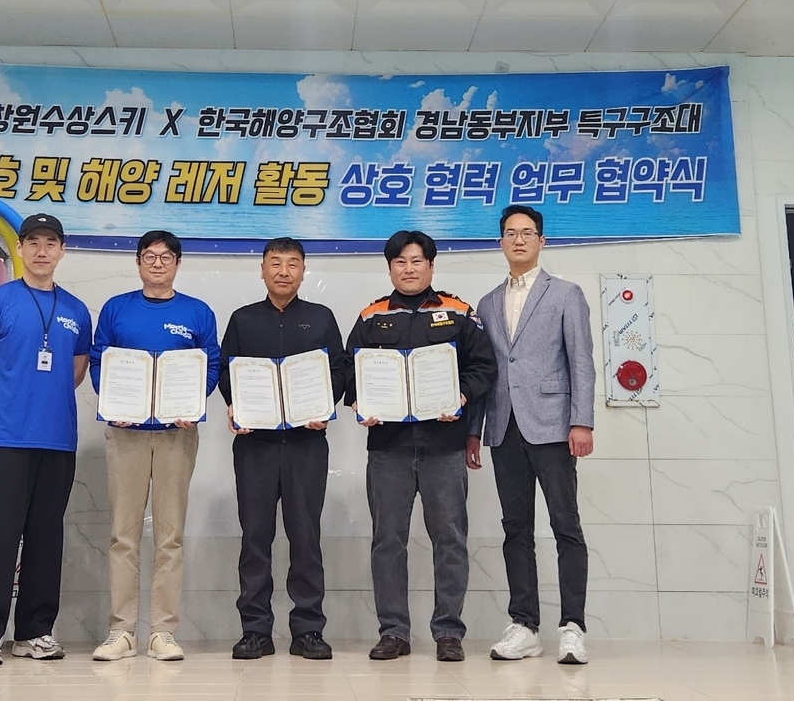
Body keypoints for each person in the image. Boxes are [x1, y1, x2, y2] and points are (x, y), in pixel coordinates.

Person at [345, 230, 496, 662]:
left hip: (444, 446)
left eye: (416, 261)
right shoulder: (372, 316)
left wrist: (461, 395)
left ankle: (448, 632)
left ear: (431, 266)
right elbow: (350, 372)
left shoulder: (458, 312)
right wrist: (359, 402)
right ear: (389, 268)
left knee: (449, 539)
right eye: (400, 262)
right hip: (388, 447)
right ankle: (394, 632)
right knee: (387, 541)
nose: (408, 269)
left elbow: (484, 367)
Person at [0, 213, 92, 666]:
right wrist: (4, 408)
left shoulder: (76, 310)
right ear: (19, 249)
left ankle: (35, 632)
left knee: (45, 539)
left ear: (62, 251)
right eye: (33, 242)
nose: (41, 250)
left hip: (57, 441)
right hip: (5, 441)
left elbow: (75, 371)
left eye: (50, 243)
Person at [468, 205, 594, 665]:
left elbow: (581, 361)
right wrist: (474, 431)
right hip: (503, 426)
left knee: (566, 526)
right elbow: (484, 370)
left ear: (542, 240)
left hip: (554, 425)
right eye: (510, 233)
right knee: (515, 528)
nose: (518, 240)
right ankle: (524, 625)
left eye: (526, 233)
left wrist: (582, 421)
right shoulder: (486, 303)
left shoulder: (565, 294)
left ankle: (573, 627)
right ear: (500, 242)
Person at [89, 230, 221, 662]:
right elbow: (99, 360)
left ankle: (163, 632)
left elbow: (211, 363)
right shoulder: (117, 308)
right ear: (138, 262)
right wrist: (113, 404)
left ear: (178, 263)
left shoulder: (197, 312)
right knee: (123, 535)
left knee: (170, 536)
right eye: (150, 256)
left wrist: (193, 403)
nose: (158, 264)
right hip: (126, 433)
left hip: (176, 434)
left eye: (166, 257)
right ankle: (121, 631)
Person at [218, 238, 346, 661]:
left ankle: (308, 630)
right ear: (262, 270)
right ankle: (255, 630)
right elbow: (226, 370)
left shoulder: (321, 317)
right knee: (255, 538)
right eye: (275, 263)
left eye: (292, 264)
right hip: (255, 444)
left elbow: (339, 369)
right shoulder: (243, 319)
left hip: (306, 444)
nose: (284, 271)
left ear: (304, 271)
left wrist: (324, 405)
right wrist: (235, 404)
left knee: (306, 538)